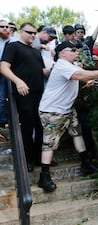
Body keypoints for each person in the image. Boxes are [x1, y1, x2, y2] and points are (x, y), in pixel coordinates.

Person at [37, 41, 98, 192]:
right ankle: (44, 177)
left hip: (68, 109)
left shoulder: (70, 66)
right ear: (62, 53)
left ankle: (85, 163)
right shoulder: (62, 64)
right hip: (53, 111)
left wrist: (87, 81)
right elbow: (78, 75)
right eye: (72, 50)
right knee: (50, 143)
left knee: (77, 134)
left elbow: (78, 77)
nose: (76, 52)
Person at [0, 22, 51, 172]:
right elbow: (3, 67)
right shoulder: (13, 46)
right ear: (21, 32)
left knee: (40, 127)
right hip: (24, 93)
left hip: (40, 94)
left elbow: (43, 71)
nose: (33, 35)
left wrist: (55, 68)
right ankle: (27, 160)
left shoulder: (36, 52)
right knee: (27, 127)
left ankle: (39, 159)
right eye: (29, 32)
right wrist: (17, 81)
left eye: (34, 33)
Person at [0, 20, 10, 129]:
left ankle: (3, 123)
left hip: (8, 74)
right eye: (2, 26)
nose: (5, 28)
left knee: (3, 98)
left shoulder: (13, 42)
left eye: (7, 26)